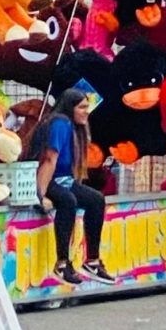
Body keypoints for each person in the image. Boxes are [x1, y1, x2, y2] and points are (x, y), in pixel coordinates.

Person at [30, 89, 116, 286]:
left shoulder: (72, 126)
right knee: (68, 201)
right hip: (48, 179)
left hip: (64, 179)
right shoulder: (60, 123)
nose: (86, 111)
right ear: (70, 108)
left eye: (87, 107)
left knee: (96, 200)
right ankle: (62, 262)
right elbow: (50, 159)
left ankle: (92, 260)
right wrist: (40, 194)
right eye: (82, 107)